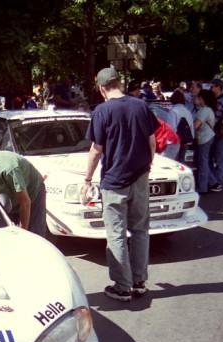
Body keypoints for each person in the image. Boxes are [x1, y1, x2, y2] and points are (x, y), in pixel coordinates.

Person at [83, 67, 158, 302]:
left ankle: (122, 287)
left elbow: (96, 150)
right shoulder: (141, 106)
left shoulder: (102, 111)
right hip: (140, 177)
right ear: (119, 83)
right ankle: (139, 282)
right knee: (140, 230)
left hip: (114, 181)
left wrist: (87, 179)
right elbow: (152, 142)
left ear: (102, 88)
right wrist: (147, 165)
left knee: (116, 233)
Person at [208, 79, 223, 191]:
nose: (211, 88)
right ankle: (212, 181)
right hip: (211, 132)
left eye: (212, 86)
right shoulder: (211, 100)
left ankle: (218, 181)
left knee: (220, 157)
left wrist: (219, 122)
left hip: (220, 132)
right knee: (210, 156)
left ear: (218, 87)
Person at [193, 89, 216, 194]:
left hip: (204, 138)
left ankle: (203, 188)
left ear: (202, 99)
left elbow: (196, 125)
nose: (195, 99)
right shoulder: (208, 109)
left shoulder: (204, 110)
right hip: (207, 137)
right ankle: (213, 182)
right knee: (203, 161)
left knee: (203, 163)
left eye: (198, 97)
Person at [169, 89, 194, 163]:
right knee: (181, 160)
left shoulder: (173, 111)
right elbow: (191, 126)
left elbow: (171, 128)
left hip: (176, 140)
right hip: (185, 140)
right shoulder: (187, 111)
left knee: (174, 162)